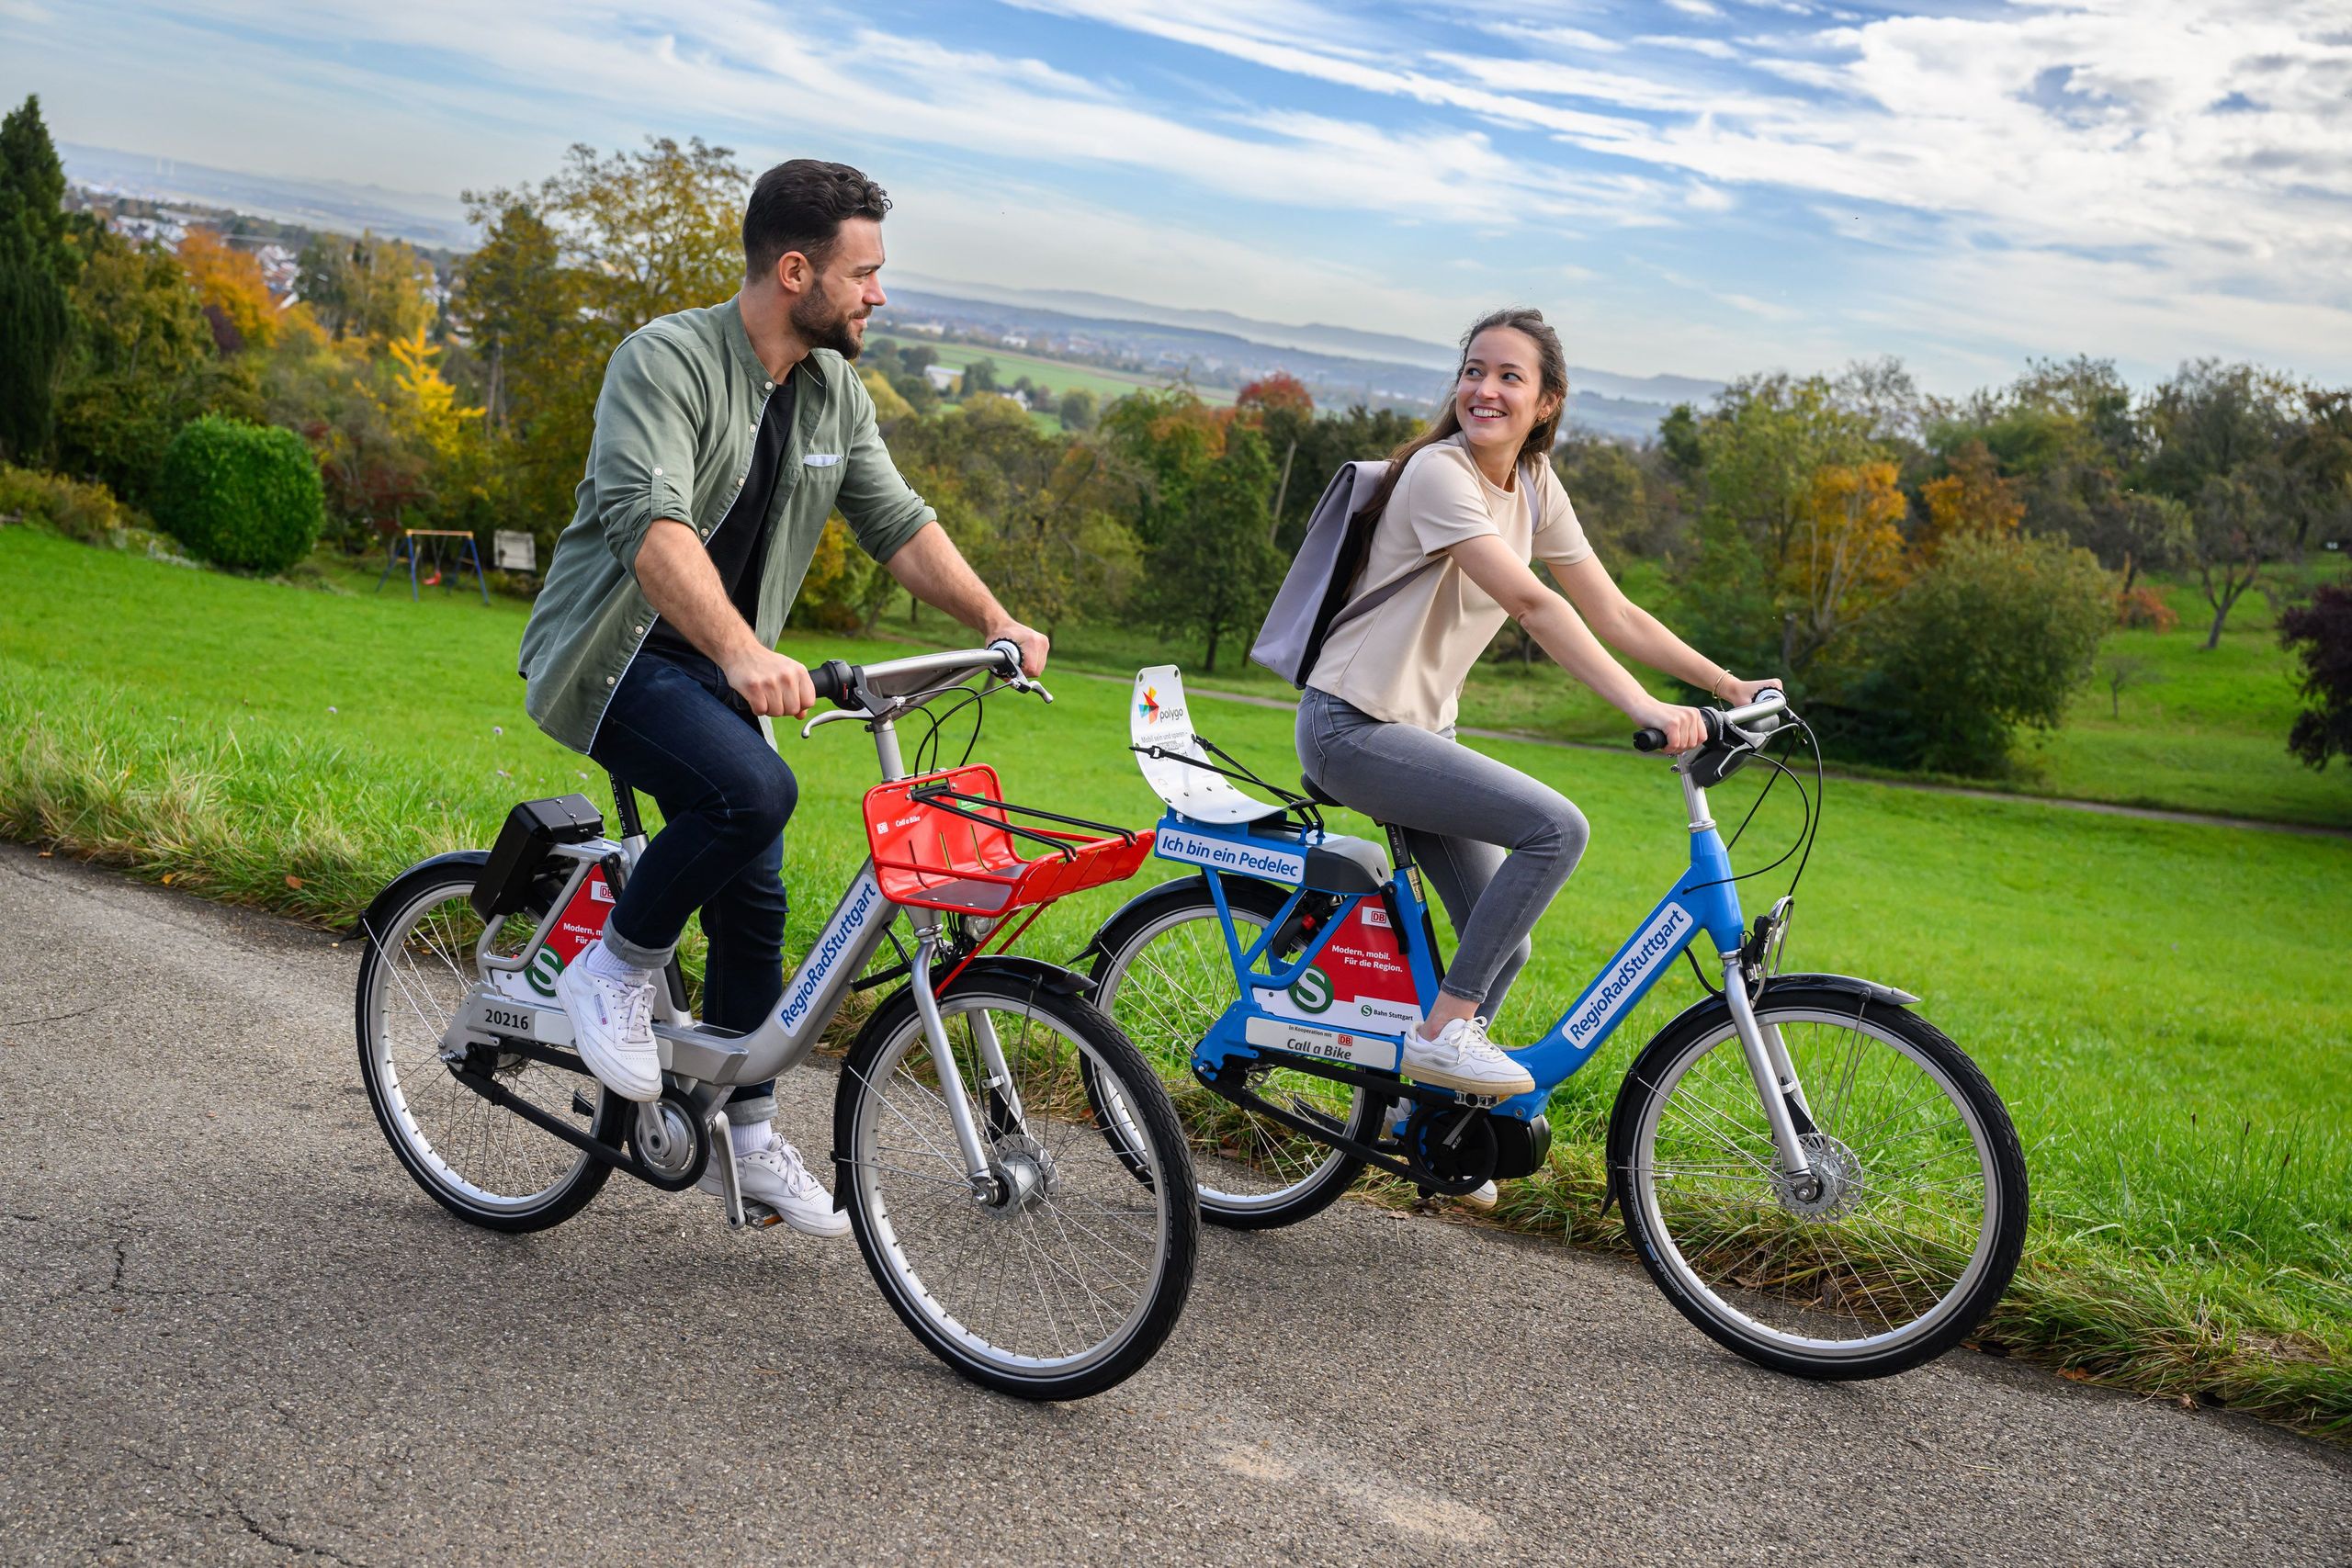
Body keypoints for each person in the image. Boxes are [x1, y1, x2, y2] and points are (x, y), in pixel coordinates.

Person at [518, 159, 1047, 1235]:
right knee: (753, 794)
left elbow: (897, 522)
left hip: (717, 668)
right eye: (865, 274)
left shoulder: (830, 390)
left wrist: (993, 621)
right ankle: (612, 969)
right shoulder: (664, 360)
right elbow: (648, 521)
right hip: (614, 660)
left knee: (756, 900)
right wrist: (743, 652)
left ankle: (745, 1137)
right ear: (795, 270)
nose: (879, 296)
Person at [1295, 307, 1775, 1200]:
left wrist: (1726, 686)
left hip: (1413, 735)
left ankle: (1426, 1120)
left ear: (1546, 402)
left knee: (1498, 947)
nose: (1483, 389)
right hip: (1351, 728)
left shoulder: (1535, 485)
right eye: (1473, 371)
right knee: (1555, 828)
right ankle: (1442, 1042)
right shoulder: (1440, 475)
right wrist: (1640, 706)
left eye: (1509, 377)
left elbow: (1613, 610)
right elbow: (1535, 605)